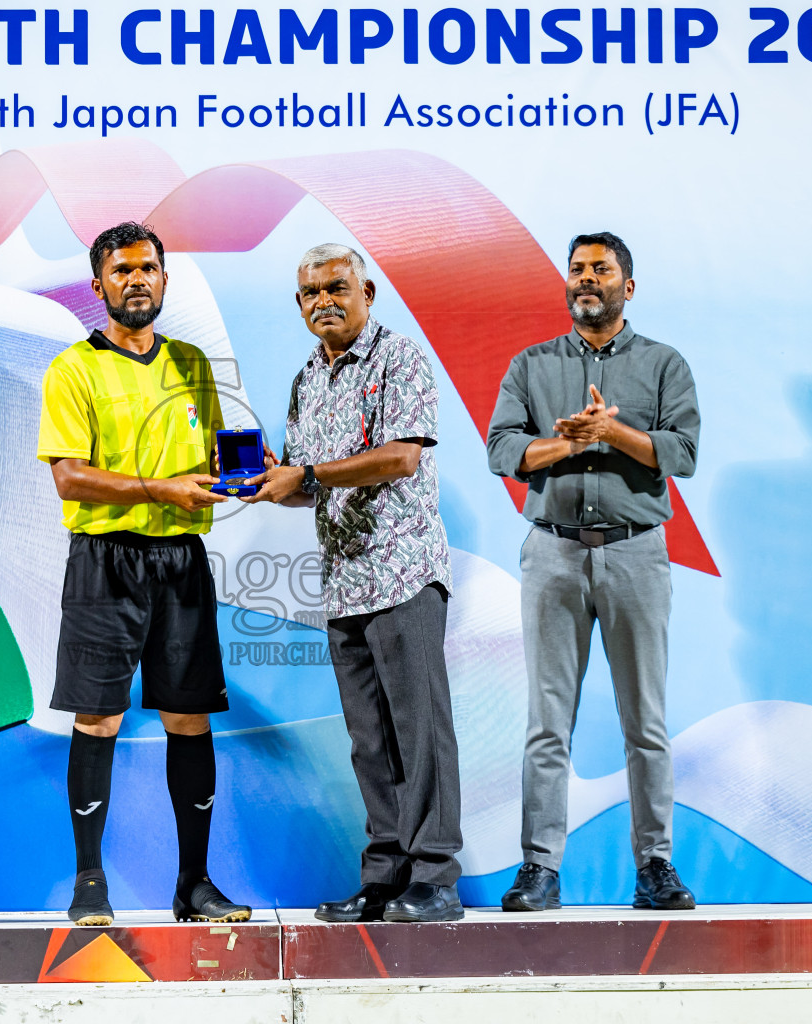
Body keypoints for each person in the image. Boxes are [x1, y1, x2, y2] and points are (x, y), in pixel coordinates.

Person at [242, 243, 464, 923]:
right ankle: (386, 876)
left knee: (419, 731)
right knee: (370, 742)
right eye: (310, 293)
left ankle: (435, 879)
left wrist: (307, 476)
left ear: (367, 290)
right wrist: (270, 481)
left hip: (402, 575)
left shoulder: (400, 359)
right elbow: (309, 485)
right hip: (344, 586)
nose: (323, 301)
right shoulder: (309, 379)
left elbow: (399, 458)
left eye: (336, 286)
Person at [37, 221, 250, 927]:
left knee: (188, 717)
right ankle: (90, 884)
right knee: (98, 718)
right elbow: (70, 478)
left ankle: (195, 884)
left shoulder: (191, 362)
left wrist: (248, 474)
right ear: (98, 286)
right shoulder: (74, 368)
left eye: (148, 268)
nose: (137, 280)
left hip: (181, 564)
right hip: (106, 562)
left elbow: (216, 460)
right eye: (121, 271)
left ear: (165, 278)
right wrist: (162, 490)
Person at [486, 232, 700, 912]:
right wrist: (567, 443)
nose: (586, 279)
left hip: (637, 550)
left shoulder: (665, 365)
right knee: (547, 722)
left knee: (646, 721)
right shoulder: (532, 364)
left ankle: (656, 867)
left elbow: (681, 451)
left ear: (626, 287)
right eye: (576, 269)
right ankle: (540, 869)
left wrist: (610, 434)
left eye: (600, 270)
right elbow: (503, 450)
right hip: (552, 552)